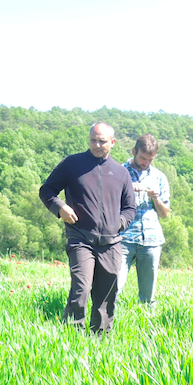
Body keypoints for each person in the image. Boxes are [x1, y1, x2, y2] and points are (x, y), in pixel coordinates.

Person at [39, 123, 136, 337]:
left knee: (107, 295)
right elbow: (47, 190)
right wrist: (60, 208)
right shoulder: (72, 164)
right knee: (81, 288)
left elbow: (130, 208)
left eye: (102, 141)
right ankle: (72, 339)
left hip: (111, 242)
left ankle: (99, 340)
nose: (97, 145)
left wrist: (119, 223)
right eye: (93, 140)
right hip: (80, 238)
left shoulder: (121, 173)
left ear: (113, 142)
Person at [118, 134, 171, 305]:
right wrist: (127, 188)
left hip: (151, 239)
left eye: (150, 159)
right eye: (142, 158)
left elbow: (165, 214)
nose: (145, 163)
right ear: (134, 151)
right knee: (113, 286)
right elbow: (106, 204)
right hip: (122, 238)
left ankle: (146, 324)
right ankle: (106, 323)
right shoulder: (118, 173)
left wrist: (156, 198)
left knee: (148, 295)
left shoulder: (159, 177)